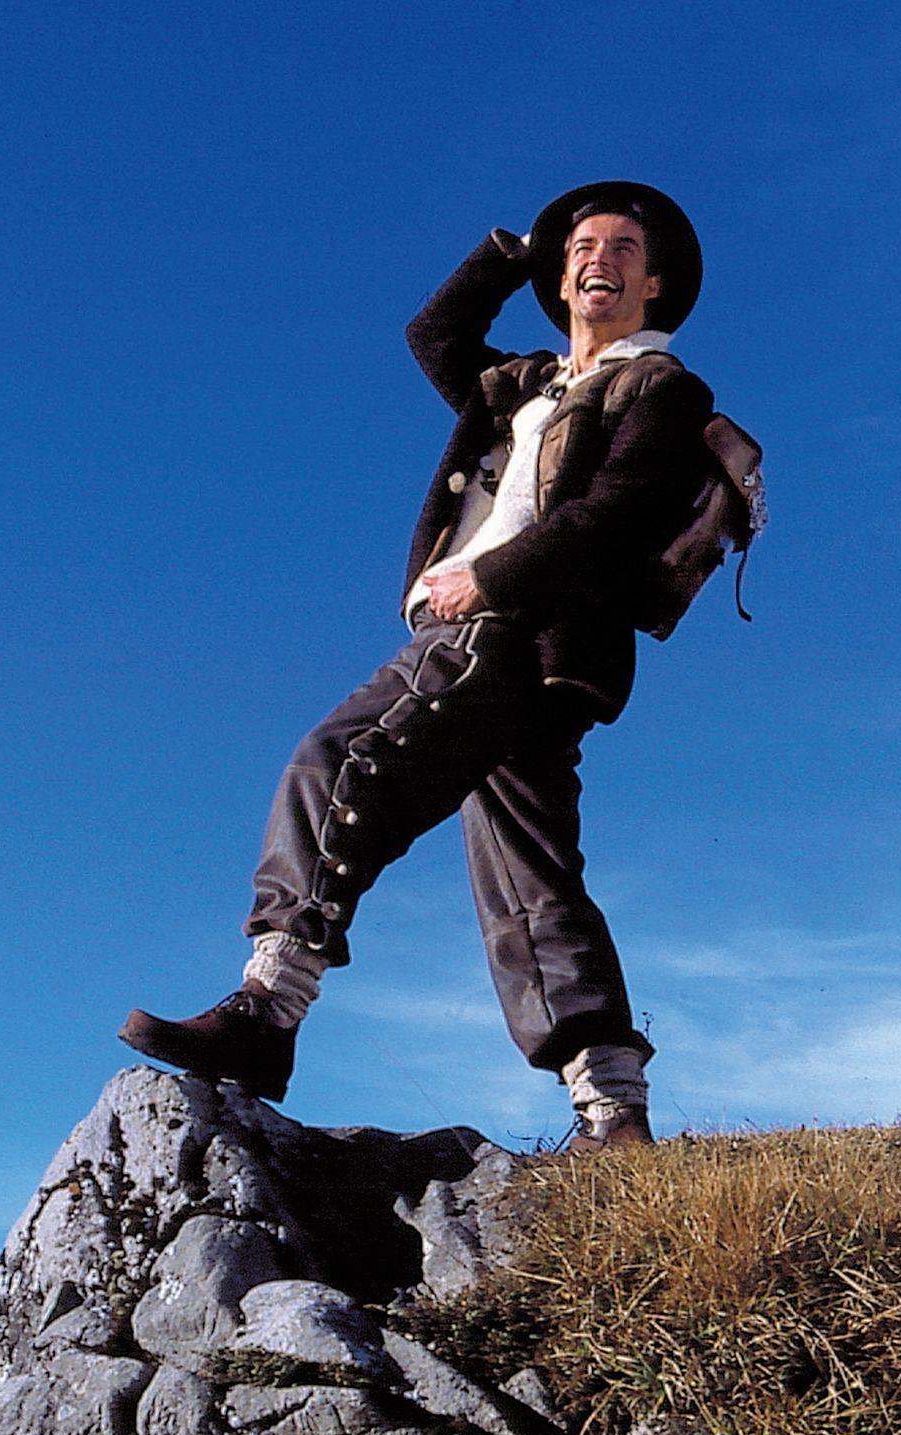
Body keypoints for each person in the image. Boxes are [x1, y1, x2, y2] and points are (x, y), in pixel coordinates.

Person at [122, 181, 718, 1152]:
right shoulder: (521, 385)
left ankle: (267, 1011)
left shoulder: (660, 388)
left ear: (654, 284)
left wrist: (483, 577)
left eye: (619, 248)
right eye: (578, 247)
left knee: (338, 758)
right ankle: (614, 1111)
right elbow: (433, 336)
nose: (594, 260)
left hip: (508, 631)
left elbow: (612, 515)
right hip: (521, 655)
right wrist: (516, 250)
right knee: (528, 878)